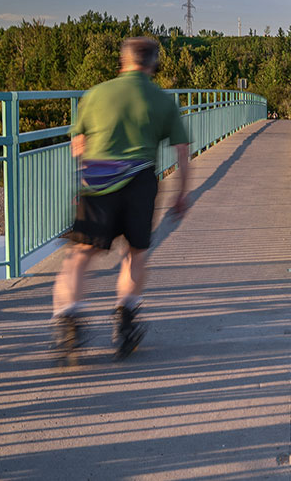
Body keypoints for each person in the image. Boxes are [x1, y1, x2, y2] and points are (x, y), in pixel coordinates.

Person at [51, 36, 190, 362]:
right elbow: (182, 152)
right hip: (140, 180)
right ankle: (125, 322)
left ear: (123, 60)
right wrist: (182, 193)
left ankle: (69, 320)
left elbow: (79, 146)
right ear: (154, 64)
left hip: (98, 179)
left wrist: (84, 186)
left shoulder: (96, 93)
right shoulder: (162, 99)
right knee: (135, 253)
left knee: (80, 254)